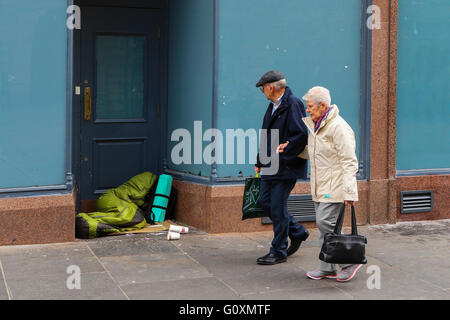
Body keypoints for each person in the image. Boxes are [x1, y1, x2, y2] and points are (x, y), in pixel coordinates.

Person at [278, 86, 361, 282]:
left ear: (323, 105)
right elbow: (316, 152)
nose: (307, 110)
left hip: (335, 186)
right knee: (325, 226)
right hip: (321, 185)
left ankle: (349, 262)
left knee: (326, 223)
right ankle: (327, 267)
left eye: (310, 106)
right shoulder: (318, 125)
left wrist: (350, 192)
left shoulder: (338, 127)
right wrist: (292, 148)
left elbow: (350, 161)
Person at [254, 70, 310, 265]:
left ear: (271, 87)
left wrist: (287, 147)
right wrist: (259, 161)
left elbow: (301, 134)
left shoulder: (293, 103)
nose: (263, 92)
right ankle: (297, 231)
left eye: (263, 88)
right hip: (271, 165)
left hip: (286, 166)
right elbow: (266, 136)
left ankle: (278, 250)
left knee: (277, 208)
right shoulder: (273, 106)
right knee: (264, 202)